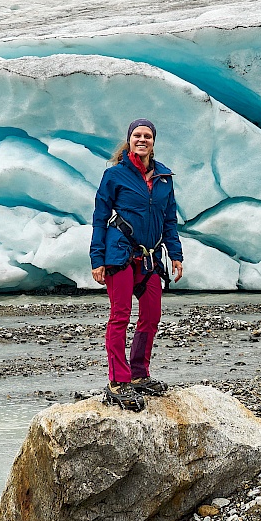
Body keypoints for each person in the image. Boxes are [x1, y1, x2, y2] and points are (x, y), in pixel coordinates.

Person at [90, 119, 185, 411]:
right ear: (129, 140)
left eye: (147, 136)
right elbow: (100, 216)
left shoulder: (164, 178)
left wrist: (176, 255)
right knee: (120, 317)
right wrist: (97, 259)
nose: (141, 140)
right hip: (119, 254)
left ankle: (139, 373)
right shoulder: (115, 175)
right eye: (136, 135)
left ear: (153, 141)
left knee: (151, 316)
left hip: (150, 258)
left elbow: (169, 220)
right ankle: (119, 381)